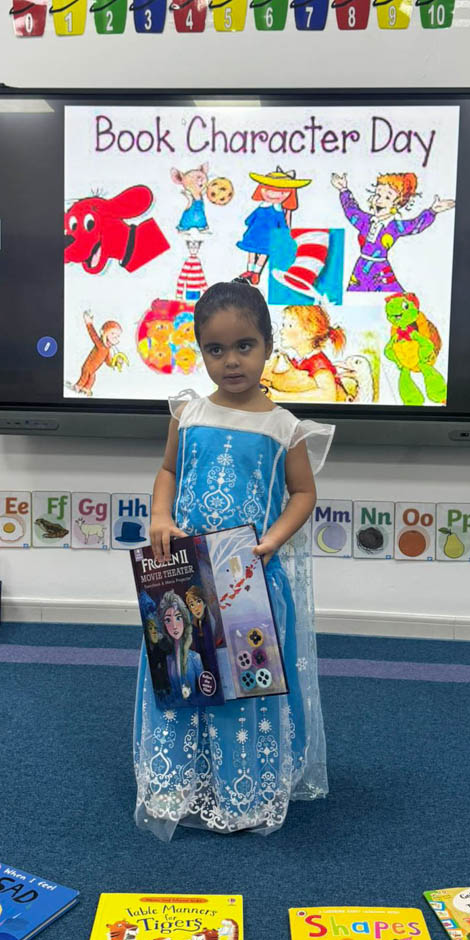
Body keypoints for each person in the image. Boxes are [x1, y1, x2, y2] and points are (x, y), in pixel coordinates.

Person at [133, 278, 332, 840]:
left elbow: (303, 494)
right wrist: (160, 516)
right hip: (184, 575)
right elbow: (169, 470)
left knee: (245, 683)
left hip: (248, 578)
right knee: (182, 672)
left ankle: (243, 789)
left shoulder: (283, 427)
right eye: (215, 349)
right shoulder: (188, 413)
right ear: (201, 352)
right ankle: (176, 783)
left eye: (245, 346)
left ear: (268, 345)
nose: (231, 361)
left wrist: (274, 539)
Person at [157, 591, 204, 705]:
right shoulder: (169, 659)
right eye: (168, 620)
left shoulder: (195, 658)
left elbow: (205, 690)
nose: (174, 626)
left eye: (178, 618)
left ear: (184, 620)